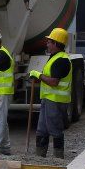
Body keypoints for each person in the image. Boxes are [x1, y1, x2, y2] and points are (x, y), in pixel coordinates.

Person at [28, 27, 72, 159]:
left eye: (49, 42)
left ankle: (58, 159)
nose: (47, 44)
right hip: (48, 99)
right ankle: (40, 157)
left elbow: (54, 82)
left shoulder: (61, 60)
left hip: (56, 100)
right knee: (42, 129)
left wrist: (38, 75)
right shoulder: (54, 57)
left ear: (56, 43)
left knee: (55, 129)